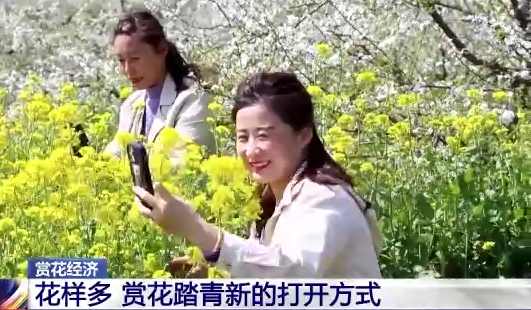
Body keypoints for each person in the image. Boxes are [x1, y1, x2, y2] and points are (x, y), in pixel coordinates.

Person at [132, 71, 384, 278]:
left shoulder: (326, 199)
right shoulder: (271, 198)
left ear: (303, 135)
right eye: (243, 137)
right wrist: (213, 272)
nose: (251, 151)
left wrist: (198, 230)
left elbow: (292, 276)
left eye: (264, 135)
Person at [104, 9, 217, 160]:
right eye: (121, 60)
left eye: (135, 58)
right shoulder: (131, 105)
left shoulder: (194, 99)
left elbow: (185, 163)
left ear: (162, 49)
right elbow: (114, 156)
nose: (127, 70)